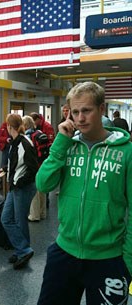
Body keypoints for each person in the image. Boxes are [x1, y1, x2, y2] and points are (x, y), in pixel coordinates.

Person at [36, 82, 132, 305]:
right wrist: (60, 143)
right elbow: (43, 184)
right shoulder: (66, 146)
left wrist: (127, 261)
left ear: (101, 109)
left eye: (86, 110)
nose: (80, 118)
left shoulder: (126, 152)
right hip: (64, 251)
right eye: (75, 112)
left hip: (108, 257)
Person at [1, 114, 38, 270]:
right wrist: (5, 170)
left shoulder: (24, 143)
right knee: (6, 218)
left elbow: (33, 168)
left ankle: (23, 251)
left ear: (10, 127)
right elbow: (16, 164)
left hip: (23, 187)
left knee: (19, 220)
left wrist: (18, 182)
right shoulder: (15, 143)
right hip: (15, 186)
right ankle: (23, 249)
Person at [22, 115, 46, 222]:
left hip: (34, 166)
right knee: (42, 190)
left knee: (34, 191)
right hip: (43, 165)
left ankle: (34, 215)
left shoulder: (28, 137)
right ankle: (42, 212)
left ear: (26, 125)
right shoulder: (40, 133)